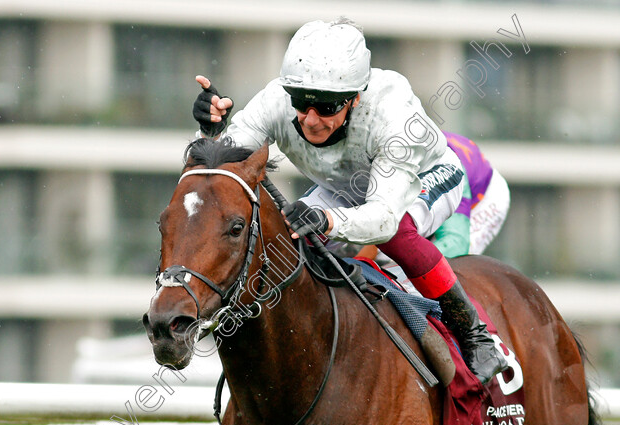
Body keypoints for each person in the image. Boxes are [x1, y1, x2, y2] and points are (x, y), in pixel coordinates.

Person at [192, 18, 507, 384]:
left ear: (355, 98)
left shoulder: (391, 116)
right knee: (285, 242)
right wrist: (209, 131)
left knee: (397, 235)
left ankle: (474, 334)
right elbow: (225, 166)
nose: (310, 120)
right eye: (301, 103)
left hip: (424, 178)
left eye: (326, 107)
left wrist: (327, 220)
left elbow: (384, 218)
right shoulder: (275, 101)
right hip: (347, 186)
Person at [357, 131, 510, 260]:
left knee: (448, 265)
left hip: (483, 197)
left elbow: (457, 243)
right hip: (430, 171)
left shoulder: (449, 172)